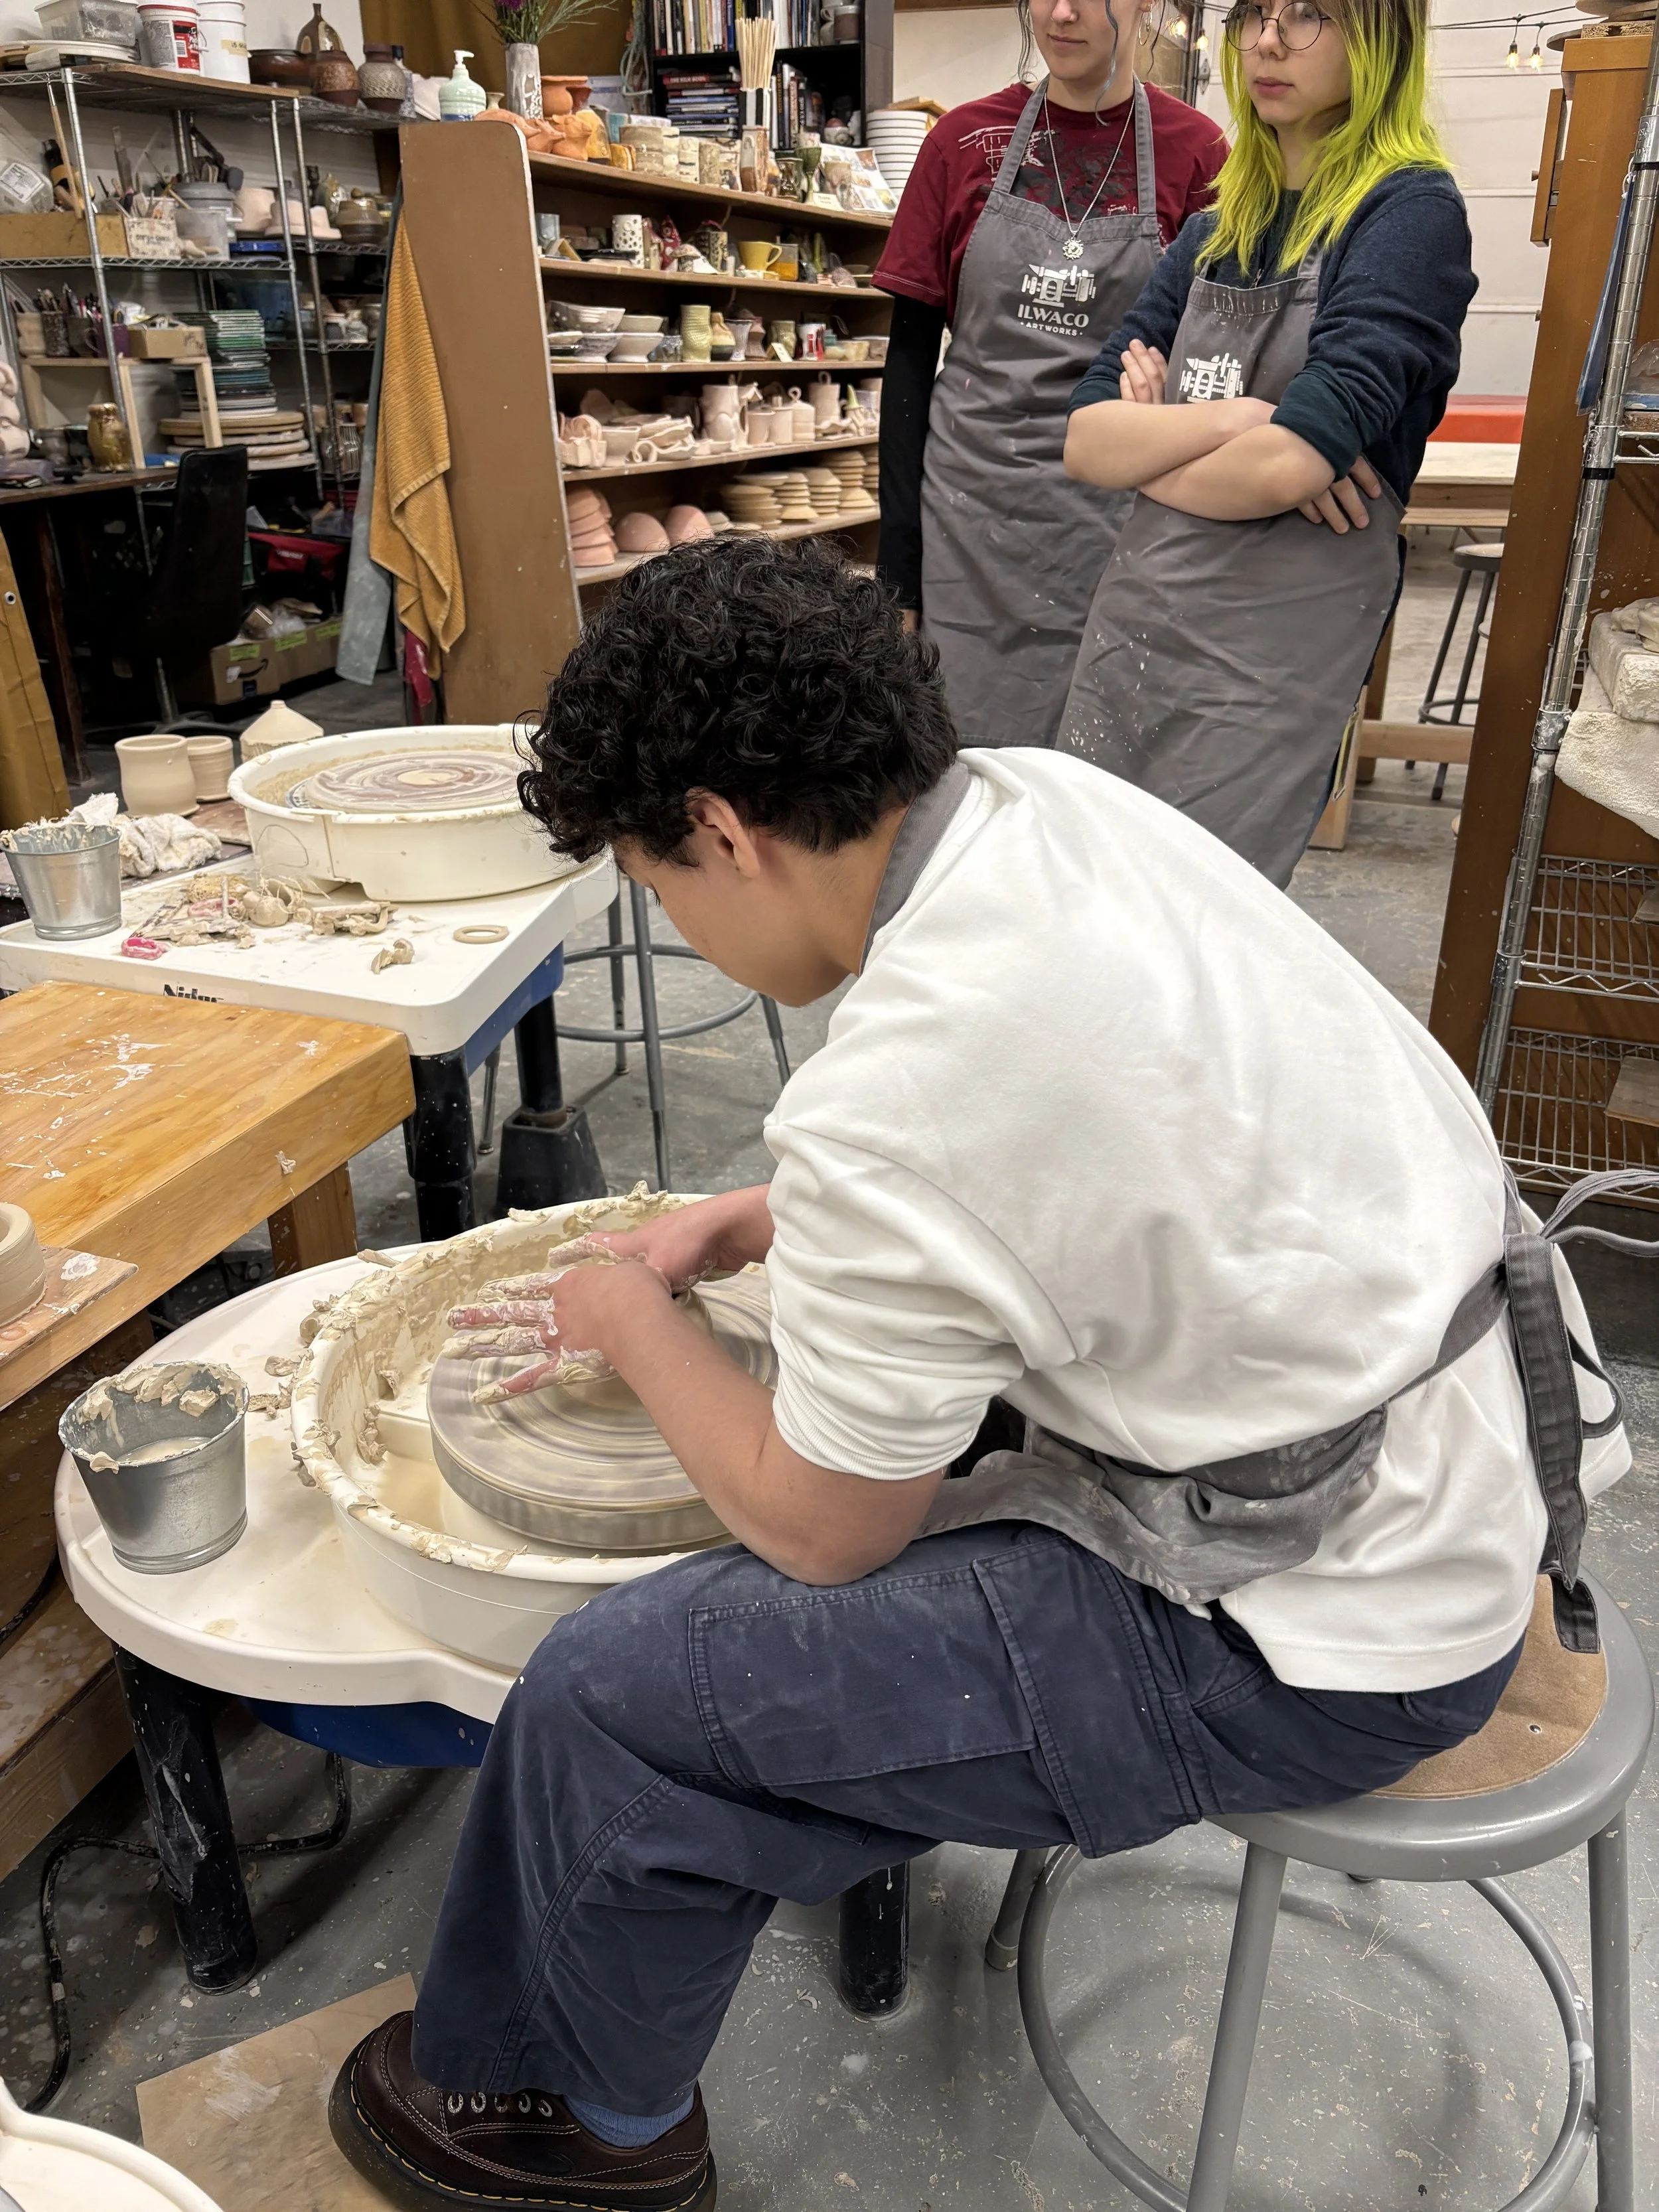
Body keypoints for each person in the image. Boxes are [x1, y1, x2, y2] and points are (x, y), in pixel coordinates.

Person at [329, 540, 1627, 2212]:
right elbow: (1079, 1121)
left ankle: (579, 2124)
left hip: (1332, 1638)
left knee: (617, 1697)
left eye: (661, 887)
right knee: (784, 1617)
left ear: (726, 831)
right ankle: (750, 1858)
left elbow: (823, 1532)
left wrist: (630, 1323)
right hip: (1463, 1457)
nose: (683, 920)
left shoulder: (899, 1088)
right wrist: (762, 1218)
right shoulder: (1040, 805)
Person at [1059, 0, 1475, 886]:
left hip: (1267, 664)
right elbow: (1089, 443)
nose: (1270, 40)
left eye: (1310, 15)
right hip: (1139, 627)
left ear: (1381, 40)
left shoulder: (1408, 216)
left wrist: (1163, 442)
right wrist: (1237, 422)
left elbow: (1294, 462)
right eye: (1254, 14)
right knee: (1094, 899)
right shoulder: (1215, 233)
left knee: (1206, 921)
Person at [874, 0, 1226, 748]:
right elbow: (908, 365)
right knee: (959, 784)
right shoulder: (961, 141)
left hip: (1115, 529)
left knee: (1097, 779)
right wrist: (897, 574)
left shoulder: (1197, 153)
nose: (1062, 13)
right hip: (968, 528)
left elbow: (1211, 360)